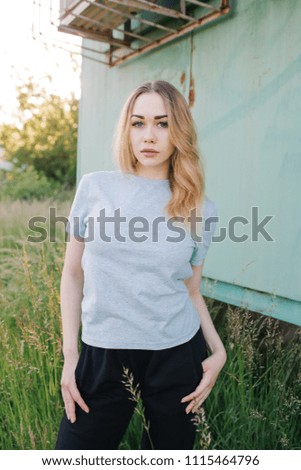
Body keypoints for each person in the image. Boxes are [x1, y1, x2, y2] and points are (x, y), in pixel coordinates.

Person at [55, 80, 227, 450]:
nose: (149, 135)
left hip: (176, 354)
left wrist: (219, 351)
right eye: (139, 123)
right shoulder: (94, 188)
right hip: (102, 353)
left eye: (163, 123)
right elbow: (72, 274)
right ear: (126, 129)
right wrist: (71, 357)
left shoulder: (200, 208)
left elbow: (191, 290)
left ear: (179, 131)